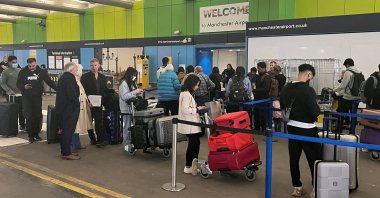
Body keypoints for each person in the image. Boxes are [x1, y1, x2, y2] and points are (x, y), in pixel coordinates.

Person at [280, 64, 321, 197]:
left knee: (294, 158)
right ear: (309, 75)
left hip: (291, 127)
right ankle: (316, 188)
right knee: (314, 159)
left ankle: (297, 187)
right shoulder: (308, 90)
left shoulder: (286, 88)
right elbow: (315, 112)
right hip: (308, 129)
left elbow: (282, 106)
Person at [17, 58, 57, 143]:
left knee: (37, 115)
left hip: (37, 97)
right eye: (30, 66)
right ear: (27, 64)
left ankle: (36, 134)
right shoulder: (23, 72)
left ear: (36, 63)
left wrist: (58, 89)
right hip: (27, 97)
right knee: (29, 115)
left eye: (33, 65)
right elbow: (18, 83)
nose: (31, 67)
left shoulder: (41, 72)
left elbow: (49, 81)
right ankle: (30, 135)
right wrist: (24, 87)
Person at [81, 58, 112, 147]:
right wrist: (87, 101)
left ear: (99, 65)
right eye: (91, 65)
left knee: (99, 122)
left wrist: (113, 91)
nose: (93, 67)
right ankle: (92, 139)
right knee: (89, 123)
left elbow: (104, 89)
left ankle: (100, 140)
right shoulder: (85, 77)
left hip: (99, 103)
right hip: (89, 103)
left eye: (95, 65)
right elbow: (82, 91)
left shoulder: (102, 77)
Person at [178, 74, 205, 175]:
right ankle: (188, 166)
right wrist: (197, 109)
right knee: (193, 145)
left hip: (190, 123)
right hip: (189, 124)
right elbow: (185, 110)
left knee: (194, 144)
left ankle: (191, 166)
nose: (197, 87)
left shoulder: (186, 93)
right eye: (197, 85)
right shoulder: (186, 94)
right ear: (192, 84)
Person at [55, 62, 80, 160]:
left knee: (66, 131)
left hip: (64, 109)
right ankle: (66, 153)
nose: (77, 70)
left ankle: (66, 151)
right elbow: (72, 94)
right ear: (71, 70)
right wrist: (77, 105)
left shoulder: (64, 77)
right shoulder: (69, 78)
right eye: (76, 69)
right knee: (68, 131)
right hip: (69, 110)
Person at [334, 58, 362, 132]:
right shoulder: (359, 71)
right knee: (354, 114)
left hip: (348, 97)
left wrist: (333, 90)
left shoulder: (348, 72)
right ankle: (352, 131)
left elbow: (343, 86)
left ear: (347, 65)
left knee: (341, 113)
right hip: (357, 97)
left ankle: (339, 130)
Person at [119, 67, 144, 151]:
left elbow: (134, 94)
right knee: (127, 126)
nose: (134, 77)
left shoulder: (133, 83)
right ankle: (126, 143)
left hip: (133, 108)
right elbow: (124, 96)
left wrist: (139, 93)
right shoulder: (124, 84)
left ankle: (133, 142)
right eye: (133, 75)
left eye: (135, 75)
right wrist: (136, 91)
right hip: (126, 109)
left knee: (133, 126)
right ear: (129, 75)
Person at [1, 56, 25, 131]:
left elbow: (23, 81)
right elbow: (2, 83)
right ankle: (12, 126)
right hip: (12, 95)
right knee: (12, 111)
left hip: (21, 94)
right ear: (9, 62)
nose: (15, 63)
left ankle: (22, 125)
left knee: (22, 111)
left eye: (16, 62)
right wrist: (9, 91)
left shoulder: (20, 70)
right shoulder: (5, 72)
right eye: (13, 62)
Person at [72, 64, 92, 152]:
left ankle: (77, 144)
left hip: (81, 107)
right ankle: (72, 146)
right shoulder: (73, 81)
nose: (81, 72)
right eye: (80, 70)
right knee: (74, 127)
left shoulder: (78, 80)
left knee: (77, 127)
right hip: (76, 107)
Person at [253, 62, 272, 131]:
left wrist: (255, 90)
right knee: (256, 114)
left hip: (263, 99)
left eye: (259, 68)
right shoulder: (258, 76)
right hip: (257, 98)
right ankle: (257, 127)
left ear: (263, 68)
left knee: (263, 114)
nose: (258, 69)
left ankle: (264, 128)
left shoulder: (267, 77)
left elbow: (266, 89)